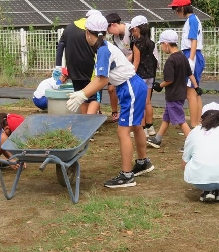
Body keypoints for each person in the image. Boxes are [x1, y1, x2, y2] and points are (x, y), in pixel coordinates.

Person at [66, 13, 154, 188]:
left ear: (87, 33)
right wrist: (83, 92)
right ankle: (143, 162)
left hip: (129, 88)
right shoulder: (105, 47)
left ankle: (127, 175)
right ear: (105, 32)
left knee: (123, 132)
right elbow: (100, 78)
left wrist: (82, 94)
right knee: (136, 126)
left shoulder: (103, 50)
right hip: (134, 85)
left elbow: (102, 80)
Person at [146, 30, 202, 149]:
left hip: (173, 95)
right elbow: (190, 73)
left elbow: (169, 80)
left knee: (181, 120)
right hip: (180, 93)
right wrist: (196, 87)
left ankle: (192, 143)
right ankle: (157, 139)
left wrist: (159, 86)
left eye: (161, 45)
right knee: (166, 118)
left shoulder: (171, 61)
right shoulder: (183, 57)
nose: (161, 47)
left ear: (166, 44)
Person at [55, 10, 101, 114]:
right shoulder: (93, 29)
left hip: (73, 70)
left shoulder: (69, 27)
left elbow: (60, 46)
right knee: (95, 98)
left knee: (81, 96)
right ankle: (90, 125)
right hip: (91, 70)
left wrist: (58, 66)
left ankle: (84, 122)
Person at [169, 0, 205, 128]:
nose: (176, 12)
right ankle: (199, 123)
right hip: (192, 54)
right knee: (195, 91)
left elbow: (193, 40)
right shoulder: (191, 20)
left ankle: (195, 125)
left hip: (191, 53)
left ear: (183, 8)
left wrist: (190, 59)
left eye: (176, 9)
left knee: (190, 92)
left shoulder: (192, 20)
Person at [128, 15, 158, 137]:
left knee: (139, 103)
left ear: (136, 29)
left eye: (132, 30)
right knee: (147, 102)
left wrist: (131, 75)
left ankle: (142, 128)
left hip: (140, 76)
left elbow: (136, 61)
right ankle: (150, 127)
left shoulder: (136, 44)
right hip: (150, 75)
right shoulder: (151, 43)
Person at [105, 12, 133, 122]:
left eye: (108, 30)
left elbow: (137, 51)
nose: (108, 33)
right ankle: (115, 112)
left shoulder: (131, 31)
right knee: (111, 88)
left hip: (133, 65)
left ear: (113, 25)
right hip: (123, 65)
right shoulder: (115, 38)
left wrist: (126, 62)